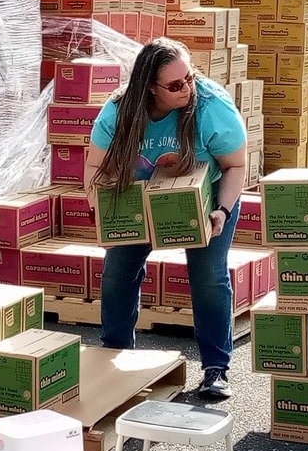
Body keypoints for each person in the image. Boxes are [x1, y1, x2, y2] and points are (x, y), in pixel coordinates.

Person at [84, 40, 250, 400]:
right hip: (140, 193)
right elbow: (95, 168)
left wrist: (222, 211)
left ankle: (216, 369)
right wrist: (104, 213)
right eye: (175, 85)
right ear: (150, 88)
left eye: (190, 78)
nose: (187, 88)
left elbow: (236, 165)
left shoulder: (212, 108)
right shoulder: (118, 111)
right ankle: (113, 356)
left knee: (208, 276)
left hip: (209, 194)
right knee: (117, 273)